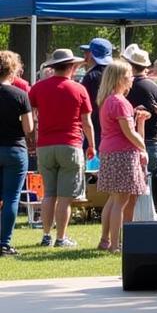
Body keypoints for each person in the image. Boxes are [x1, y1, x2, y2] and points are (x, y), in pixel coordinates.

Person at [29, 48, 96, 248]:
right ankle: (61, 237)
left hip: (45, 145)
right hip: (70, 144)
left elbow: (32, 115)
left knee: (49, 194)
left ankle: (46, 235)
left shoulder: (38, 88)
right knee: (65, 198)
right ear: (72, 67)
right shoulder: (78, 89)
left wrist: (33, 137)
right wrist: (91, 144)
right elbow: (86, 122)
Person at [95, 59, 149, 253]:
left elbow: (127, 130)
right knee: (121, 201)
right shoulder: (120, 101)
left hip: (109, 151)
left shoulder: (108, 100)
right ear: (120, 78)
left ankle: (105, 240)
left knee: (113, 199)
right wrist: (144, 148)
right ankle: (116, 245)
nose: (132, 78)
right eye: (129, 75)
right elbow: (129, 133)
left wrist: (139, 121)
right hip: (122, 154)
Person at [123, 44, 157, 228]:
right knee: (149, 184)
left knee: (135, 189)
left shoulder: (128, 88)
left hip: (137, 141)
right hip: (156, 140)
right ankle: (149, 215)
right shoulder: (156, 87)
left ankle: (139, 220)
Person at [0, 51, 33, 255]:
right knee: (11, 197)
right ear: (13, 70)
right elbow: (29, 127)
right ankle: (4, 243)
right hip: (14, 148)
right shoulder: (20, 95)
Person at [78, 37, 113, 150]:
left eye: (86, 52)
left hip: (95, 128)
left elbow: (84, 105)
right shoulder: (115, 74)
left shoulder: (91, 76)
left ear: (91, 54)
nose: (85, 55)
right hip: (113, 127)